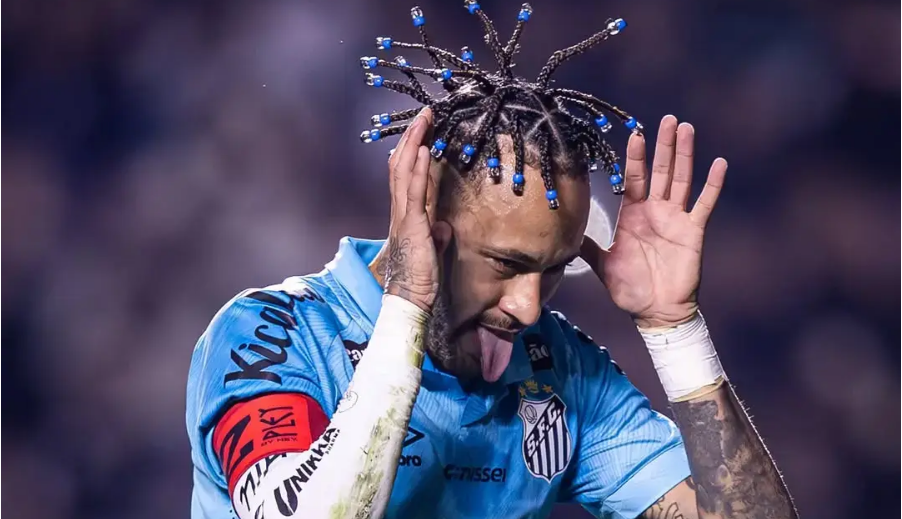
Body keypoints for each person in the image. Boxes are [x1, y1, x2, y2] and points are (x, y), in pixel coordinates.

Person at [186, 3, 797, 518]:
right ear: (424, 215)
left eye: (553, 269)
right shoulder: (270, 333)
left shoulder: (559, 370)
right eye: (506, 264)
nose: (529, 306)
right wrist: (407, 308)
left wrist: (674, 331)